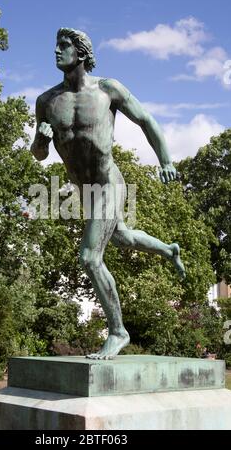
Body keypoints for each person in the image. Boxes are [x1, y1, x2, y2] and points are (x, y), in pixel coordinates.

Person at [31, 27, 185, 359]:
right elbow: (39, 154)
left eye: (63, 47)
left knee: (89, 257)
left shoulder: (107, 90)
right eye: (55, 46)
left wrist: (166, 160)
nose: (56, 52)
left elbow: (145, 119)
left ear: (81, 54)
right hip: (84, 189)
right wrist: (41, 140)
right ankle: (169, 250)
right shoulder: (46, 102)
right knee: (121, 238)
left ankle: (118, 332)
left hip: (109, 183)